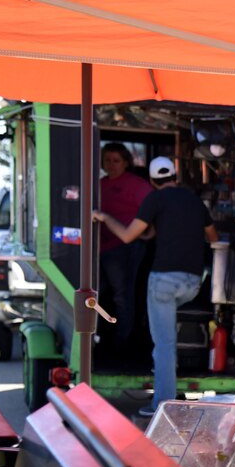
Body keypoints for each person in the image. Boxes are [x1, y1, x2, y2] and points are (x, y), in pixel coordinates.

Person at [93, 155, 215, 418]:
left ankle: (161, 404)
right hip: (193, 283)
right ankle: (170, 373)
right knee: (168, 326)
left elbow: (128, 236)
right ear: (175, 177)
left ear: (152, 180)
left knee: (164, 345)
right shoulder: (195, 202)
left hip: (163, 282)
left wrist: (103, 216)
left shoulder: (154, 199)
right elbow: (213, 238)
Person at [97, 143, 153, 359]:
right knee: (97, 295)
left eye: (116, 160)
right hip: (98, 249)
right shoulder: (99, 184)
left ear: (127, 162)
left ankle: (123, 345)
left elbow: (153, 209)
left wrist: (149, 233)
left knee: (122, 295)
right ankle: (101, 340)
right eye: (107, 160)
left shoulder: (136, 185)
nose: (111, 165)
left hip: (124, 249)